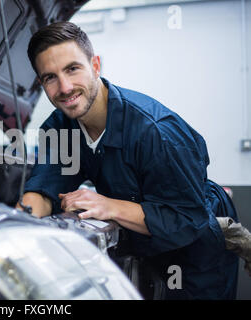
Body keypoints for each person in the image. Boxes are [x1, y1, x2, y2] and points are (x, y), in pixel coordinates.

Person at [17, 21, 239, 300]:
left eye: (73, 69)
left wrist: (107, 205)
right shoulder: (62, 127)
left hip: (196, 256)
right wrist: (12, 229)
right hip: (144, 249)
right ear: (41, 84)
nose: (64, 87)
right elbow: (44, 188)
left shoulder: (155, 131)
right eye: (50, 77)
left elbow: (185, 219)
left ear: (95, 66)